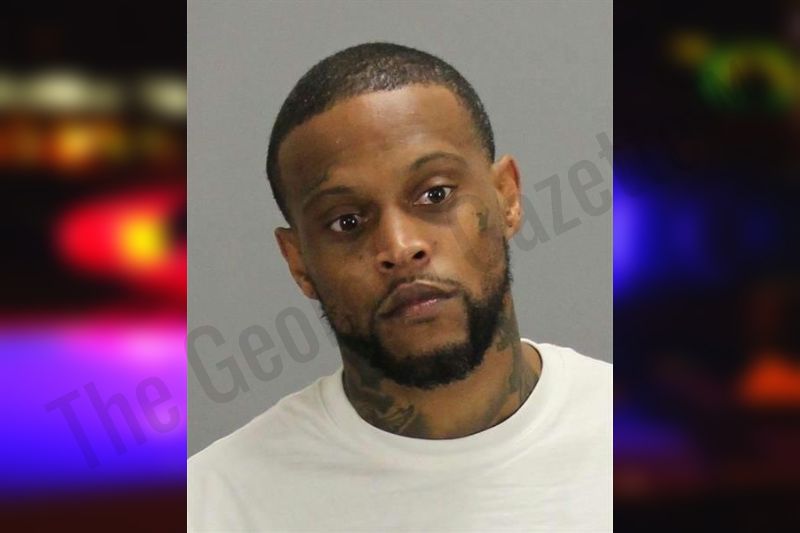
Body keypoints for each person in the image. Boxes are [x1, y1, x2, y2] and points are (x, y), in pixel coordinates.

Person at [188, 42, 612, 532]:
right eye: (346, 221)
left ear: (507, 198)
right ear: (298, 261)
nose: (400, 246)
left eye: (435, 193)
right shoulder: (212, 505)